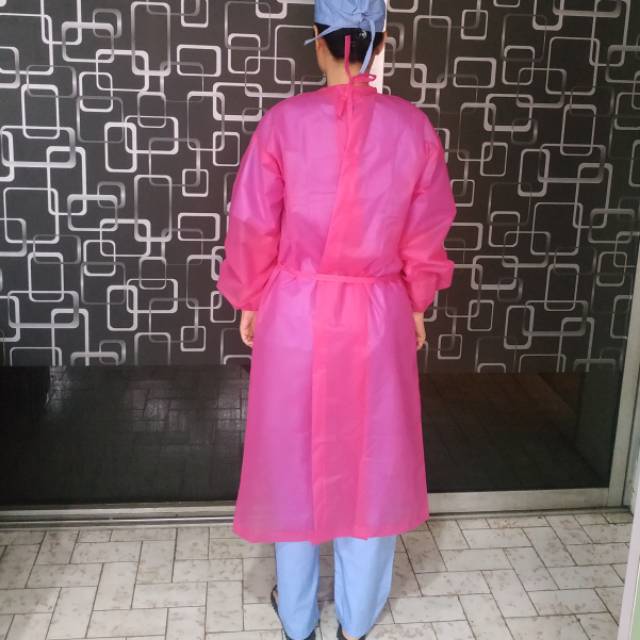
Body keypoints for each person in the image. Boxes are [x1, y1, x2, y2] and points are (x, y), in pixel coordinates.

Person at [216, 1, 457, 638]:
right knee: (372, 463)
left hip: (295, 315)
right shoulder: (413, 128)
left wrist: (249, 297)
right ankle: (356, 618)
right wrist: (416, 302)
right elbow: (426, 233)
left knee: (292, 458)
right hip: (378, 317)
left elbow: (252, 224)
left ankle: (298, 619)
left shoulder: (283, 124)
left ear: (318, 42)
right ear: (381, 43)